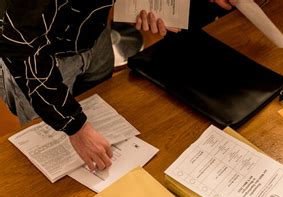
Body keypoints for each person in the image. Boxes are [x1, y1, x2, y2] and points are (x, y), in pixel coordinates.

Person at [0, 0, 236, 172]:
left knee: (104, 117)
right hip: (43, 56)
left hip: (95, 33)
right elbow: (21, 46)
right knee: (48, 150)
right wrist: (75, 126)